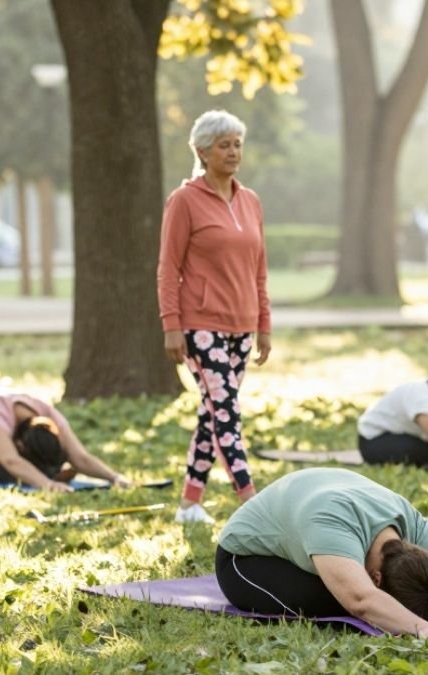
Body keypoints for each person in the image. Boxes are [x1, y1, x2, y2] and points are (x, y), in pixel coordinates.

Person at [216, 468, 428, 639]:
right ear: (376, 578)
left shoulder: (410, 524)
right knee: (340, 601)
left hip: (311, 520)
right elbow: (362, 600)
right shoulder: (333, 525)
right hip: (244, 559)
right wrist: (426, 631)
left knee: (365, 603)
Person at [157, 110, 271, 524]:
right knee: (226, 411)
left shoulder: (251, 200)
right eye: (224, 145)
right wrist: (171, 325)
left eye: (237, 143)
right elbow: (168, 267)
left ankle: (190, 503)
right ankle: (251, 503)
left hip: (242, 326)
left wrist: (264, 325)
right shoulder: (184, 201)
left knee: (213, 410)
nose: (233, 151)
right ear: (203, 152)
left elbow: (259, 268)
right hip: (200, 326)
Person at [0, 387, 131, 491]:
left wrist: (114, 477)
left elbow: (79, 456)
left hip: (6, 450)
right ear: (19, 444)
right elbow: (11, 460)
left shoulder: (47, 416)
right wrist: (47, 484)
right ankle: (44, 473)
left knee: (18, 467)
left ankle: (43, 471)